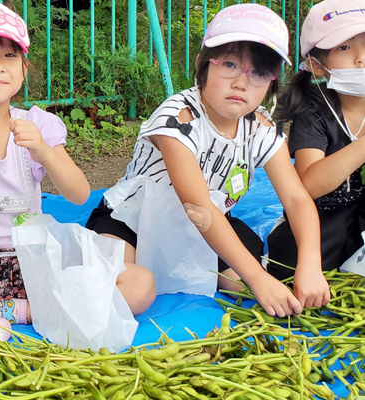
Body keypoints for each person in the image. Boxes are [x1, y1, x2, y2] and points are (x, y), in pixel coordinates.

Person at [0, 1, 155, 343]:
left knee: (141, 283)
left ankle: (10, 312)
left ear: (24, 69)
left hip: (33, 264)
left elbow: (79, 193)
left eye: (9, 56)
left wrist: (43, 151)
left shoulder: (38, 125)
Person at [85, 4, 330, 318]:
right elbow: (198, 206)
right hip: (132, 220)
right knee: (132, 288)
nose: (242, 83)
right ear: (202, 65)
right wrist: (258, 279)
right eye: (229, 64)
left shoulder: (262, 125)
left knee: (253, 286)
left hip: (209, 227)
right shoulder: (177, 117)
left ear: (271, 82)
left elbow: (296, 199)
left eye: (258, 72)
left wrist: (311, 265)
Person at [267, 0, 365, 281]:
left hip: (361, 214)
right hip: (320, 217)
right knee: (291, 267)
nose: (361, 58)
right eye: (344, 48)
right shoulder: (314, 111)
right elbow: (309, 184)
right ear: (316, 64)